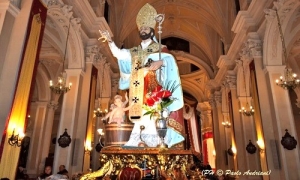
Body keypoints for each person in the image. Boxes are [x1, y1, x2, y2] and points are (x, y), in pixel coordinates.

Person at [100, 3, 184, 148]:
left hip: (153, 89)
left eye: (146, 28)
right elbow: (119, 54)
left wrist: (161, 61)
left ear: (152, 31)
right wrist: (110, 41)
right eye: (142, 28)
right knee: (139, 117)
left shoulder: (159, 49)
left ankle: (157, 140)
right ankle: (138, 140)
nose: (143, 30)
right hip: (138, 90)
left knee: (153, 114)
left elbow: (170, 61)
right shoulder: (134, 51)